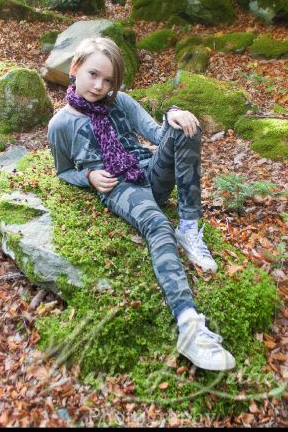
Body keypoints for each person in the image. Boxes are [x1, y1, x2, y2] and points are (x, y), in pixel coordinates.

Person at [46, 37, 235, 371]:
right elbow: (63, 171)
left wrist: (175, 115)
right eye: (93, 75)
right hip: (120, 187)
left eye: (108, 81)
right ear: (74, 69)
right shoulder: (61, 124)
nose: (99, 86)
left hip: (147, 168)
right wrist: (89, 177)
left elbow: (158, 135)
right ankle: (189, 325)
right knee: (158, 225)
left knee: (186, 129)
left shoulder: (121, 103)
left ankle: (190, 229)